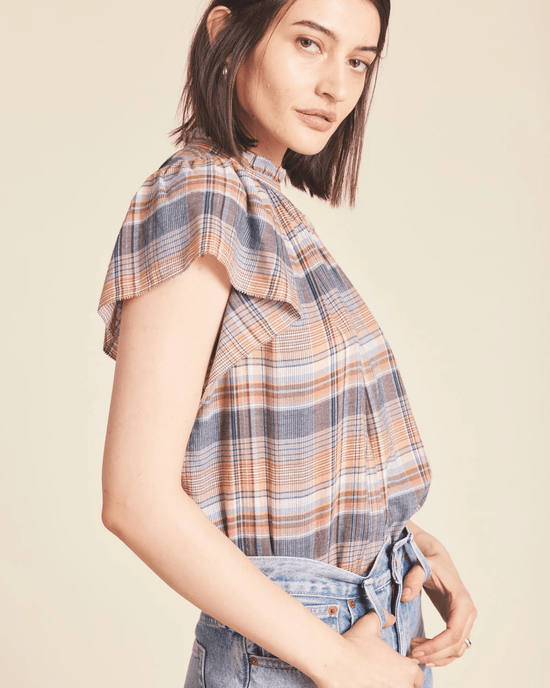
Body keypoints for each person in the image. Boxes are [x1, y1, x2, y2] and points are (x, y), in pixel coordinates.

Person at [97, 1, 477, 686]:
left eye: (359, 62)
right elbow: (136, 498)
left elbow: (273, 459)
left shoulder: (264, 204)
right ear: (225, 35)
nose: (336, 86)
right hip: (303, 654)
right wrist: (338, 662)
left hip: (368, 628)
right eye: (309, 43)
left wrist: (402, 546)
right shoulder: (202, 196)